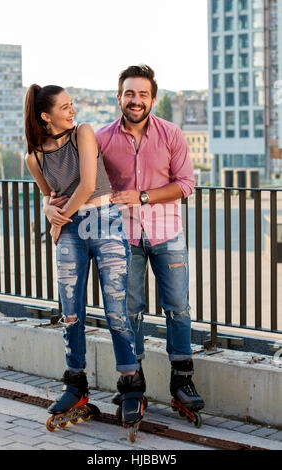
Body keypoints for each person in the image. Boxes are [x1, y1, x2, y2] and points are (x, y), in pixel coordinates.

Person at [24, 84, 145, 427]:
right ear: (46, 116)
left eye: (72, 104)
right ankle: (75, 384)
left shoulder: (84, 134)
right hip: (70, 231)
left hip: (103, 222)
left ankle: (131, 385)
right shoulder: (34, 157)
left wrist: (58, 217)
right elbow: (49, 197)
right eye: (65, 107)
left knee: (116, 311)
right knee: (71, 313)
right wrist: (51, 212)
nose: (72, 110)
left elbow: (89, 184)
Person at [95, 65, 204, 416]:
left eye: (143, 94)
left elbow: (186, 183)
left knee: (178, 307)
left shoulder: (171, 133)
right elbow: (84, 181)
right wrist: (52, 202)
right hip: (122, 238)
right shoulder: (101, 138)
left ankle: (182, 382)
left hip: (167, 233)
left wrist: (142, 196)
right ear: (119, 98)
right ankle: (133, 382)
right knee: (128, 311)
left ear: (152, 99)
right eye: (129, 93)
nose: (136, 100)